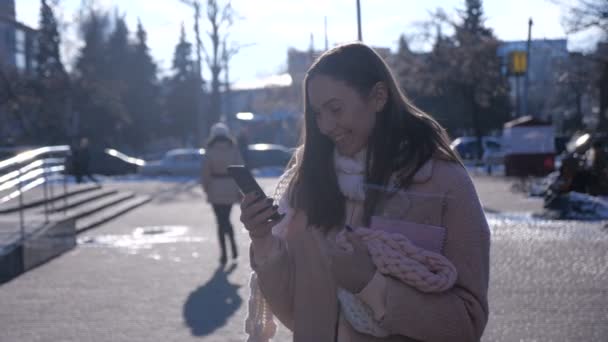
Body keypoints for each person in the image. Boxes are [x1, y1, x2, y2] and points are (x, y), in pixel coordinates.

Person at [241, 43, 490, 341]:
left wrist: (370, 283)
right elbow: (297, 312)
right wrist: (264, 241)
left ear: (378, 97)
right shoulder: (307, 182)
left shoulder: (445, 184)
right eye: (318, 114)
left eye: (335, 109)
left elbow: (467, 325)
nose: (325, 126)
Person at [201, 123, 244, 265]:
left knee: (220, 222)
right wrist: (240, 190)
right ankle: (233, 247)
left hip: (215, 188)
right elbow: (240, 170)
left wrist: (206, 188)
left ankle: (224, 254)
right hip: (231, 187)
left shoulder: (210, 150)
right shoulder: (233, 149)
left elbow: (205, 172)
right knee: (227, 219)